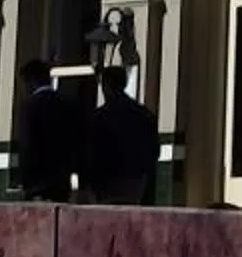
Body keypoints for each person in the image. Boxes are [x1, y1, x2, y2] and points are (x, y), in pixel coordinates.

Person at [84, 65, 158, 205]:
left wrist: (88, 182)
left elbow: (90, 152)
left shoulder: (99, 117)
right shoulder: (144, 114)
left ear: (106, 85)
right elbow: (154, 150)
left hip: (106, 182)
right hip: (136, 182)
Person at [13, 58, 82, 204]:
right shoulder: (68, 104)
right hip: (62, 179)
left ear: (30, 81)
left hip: (37, 181)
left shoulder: (30, 106)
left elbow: (28, 144)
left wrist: (24, 180)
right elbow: (76, 142)